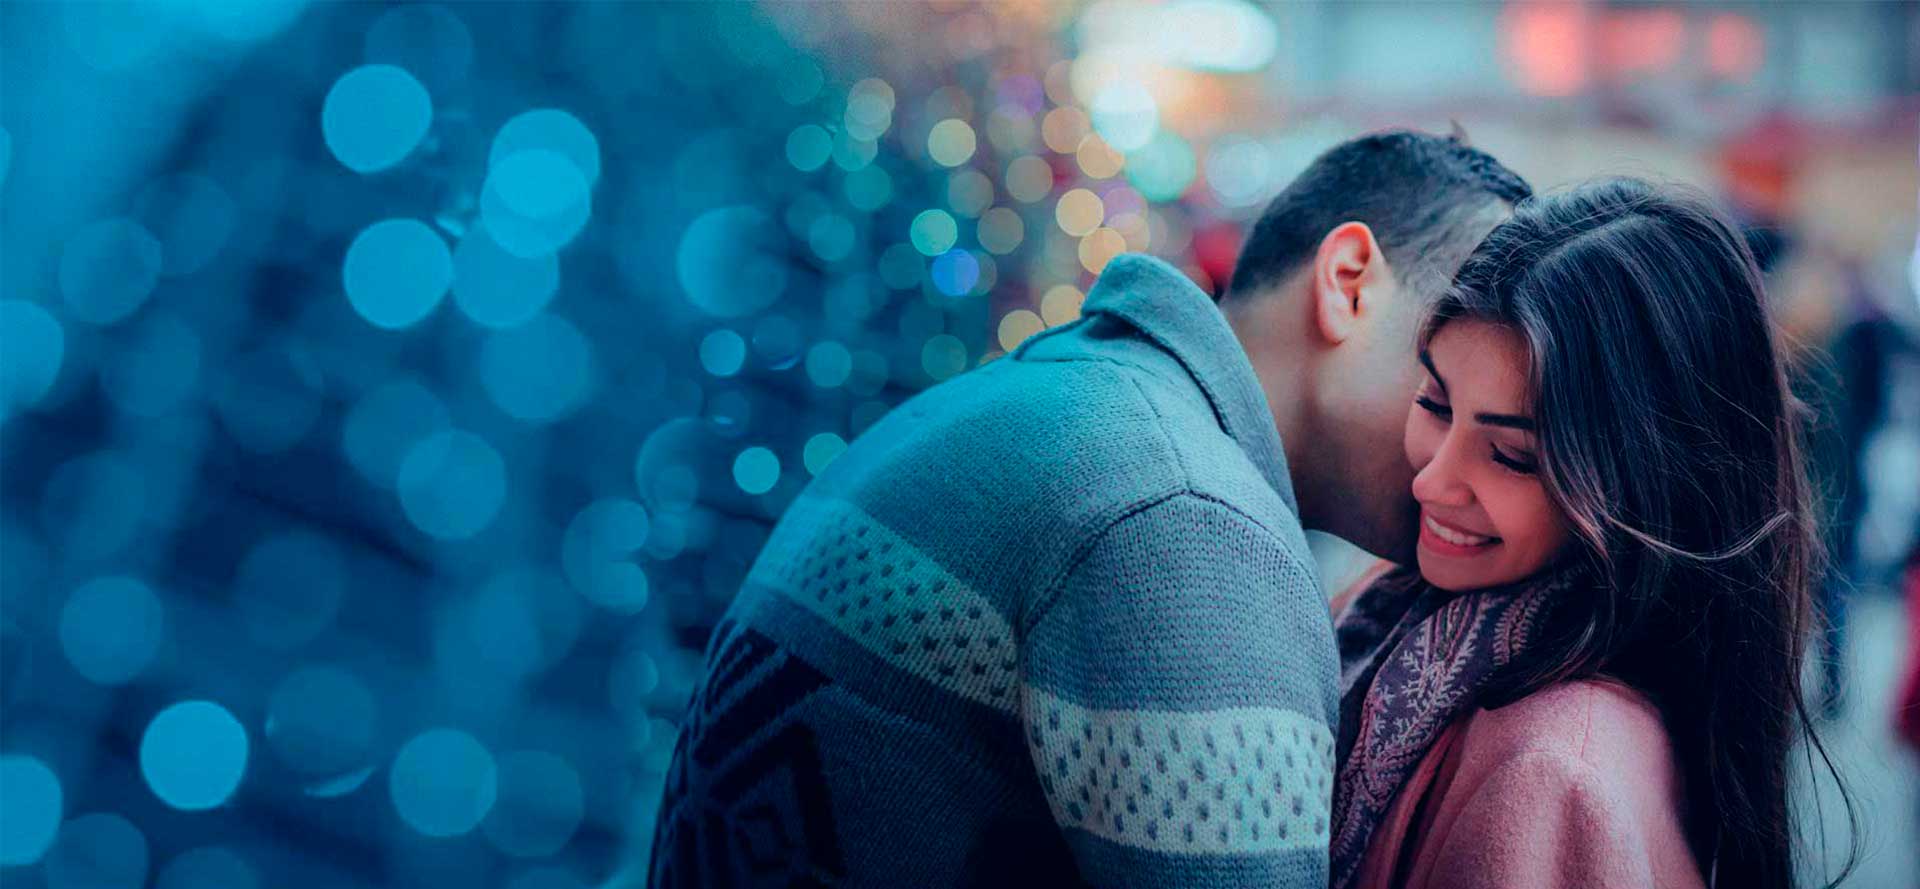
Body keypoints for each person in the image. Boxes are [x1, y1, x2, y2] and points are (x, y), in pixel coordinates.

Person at [646, 130, 1531, 888]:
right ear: (1347, 281)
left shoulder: (1077, 398)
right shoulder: (1182, 513)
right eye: (1451, 364)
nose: (1470, 447)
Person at [1331, 178, 1854, 889]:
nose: (1431, 481)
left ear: (1647, 484)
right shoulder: (1400, 606)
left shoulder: (1555, 772)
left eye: (1513, 456)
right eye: (1435, 402)